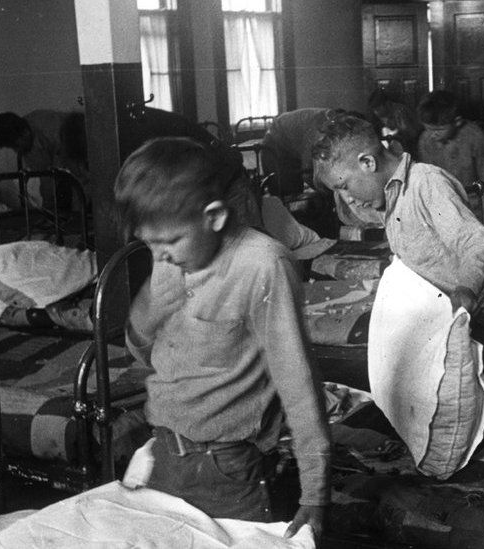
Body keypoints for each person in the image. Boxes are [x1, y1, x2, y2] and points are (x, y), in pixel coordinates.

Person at [116, 137, 331, 539]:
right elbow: (146, 356)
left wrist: (315, 495)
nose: (158, 255)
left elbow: (299, 384)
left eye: (166, 243)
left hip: (229, 467)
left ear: (213, 217)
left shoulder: (262, 264)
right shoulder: (173, 251)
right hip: (164, 451)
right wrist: (147, 310)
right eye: (149, 243)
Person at [312, 112, 484, 417]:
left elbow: (477, 241)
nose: (347, 198)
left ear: (368, 163)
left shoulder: (426, 183)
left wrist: (465, 289)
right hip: (449, 328)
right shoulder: (390, 195)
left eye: (344, 186)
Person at [417, 90, 484, 234]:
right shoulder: (425, 140)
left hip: (474, 209)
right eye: (428, 128)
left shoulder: (475, 137)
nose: (432, 134)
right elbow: (428, 185)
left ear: (457, 122)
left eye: (439, 129)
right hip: (444, 209)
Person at [0, 110, 89, 208]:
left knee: (81, 185)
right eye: (12, 148)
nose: (16, 151)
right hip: (71, 165)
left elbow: (75, 168)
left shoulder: (50, 126)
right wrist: (48, 209)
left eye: (15, 146)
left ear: (25, 133)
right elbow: (45, 178)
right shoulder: (28, 150)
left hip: (83, 146)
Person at [368, 89, 424, 155]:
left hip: (411, 147)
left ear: (387, 103)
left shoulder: (400, 111)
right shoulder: (377, 116)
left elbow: (410, 133)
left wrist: (394, 134)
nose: (376, 112)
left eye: (377, 109)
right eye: (374, 109)